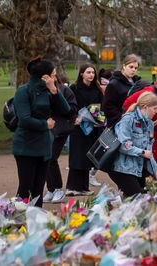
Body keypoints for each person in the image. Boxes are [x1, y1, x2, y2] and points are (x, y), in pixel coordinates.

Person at [13, 58, 70, 207]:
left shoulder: (49, 91)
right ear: (44, 76)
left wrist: (54, 90)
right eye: (53, 74)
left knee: (38, 188)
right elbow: (24, 119)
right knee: (25, 187)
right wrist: (45, 124)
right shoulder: (23, 91)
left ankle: (36, 218)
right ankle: (18, 219)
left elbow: (66, 110)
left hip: (44, 145)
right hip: (26, 146)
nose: (56, 78)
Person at [111, 92, 157, 197]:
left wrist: (155, 170)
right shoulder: (128, 120)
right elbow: (124, 144)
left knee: (153, 193)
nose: (156, 112)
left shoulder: (150, 123)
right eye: (155, 108)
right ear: (145, 107)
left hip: (139, 167)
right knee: (138, 197)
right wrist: (141, 152)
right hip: (123, 168)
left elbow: (149, 151)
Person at [66, 63, 103, 196]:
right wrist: (75, 117)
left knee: (87, 157)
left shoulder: (97, 90)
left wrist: (98, 119)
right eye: (88, 72)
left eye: (93, 73)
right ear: (82, 74)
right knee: (76, 156)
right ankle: (71, 186)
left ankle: (83, 187)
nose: (91, 75)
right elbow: (69, 105)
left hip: (91, 128)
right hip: (77, 127)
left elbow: (100, 108)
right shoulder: (74, 88)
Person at [43, 75, 78, 203]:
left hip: (60, 129)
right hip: (44, 130)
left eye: (52, 75)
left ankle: (58, 189)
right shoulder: (41, 90)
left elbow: (72, 109)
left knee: (51, 158)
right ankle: (51, 189)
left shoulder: (64, 90)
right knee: (45, 158)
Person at [102, 54, 142, 128]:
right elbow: (107, 106)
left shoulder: (137, 83)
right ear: (124, 66)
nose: (133, 70)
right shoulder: (114, 84)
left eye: (136, 68)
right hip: (119, 124)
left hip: (135, 123)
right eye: (131, 67)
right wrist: (121, 116)